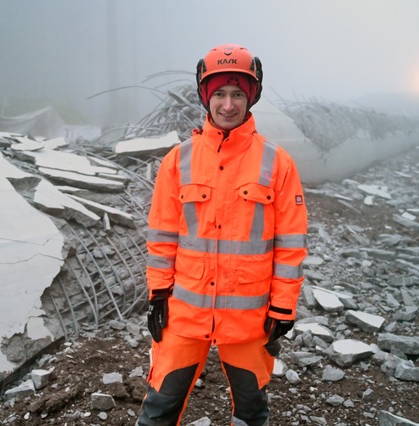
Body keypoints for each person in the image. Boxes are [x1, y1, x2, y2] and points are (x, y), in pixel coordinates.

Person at [136, 43, 308, 426]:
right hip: (184, 315)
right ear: (205, 97)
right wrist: (158, 294)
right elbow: (162, 236)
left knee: (250, 412)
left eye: (236, 94)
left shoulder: (277, 163)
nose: (227, 105)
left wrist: (283, 307)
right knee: (158, 410)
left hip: (249, 320)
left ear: (251, 98)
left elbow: (291, 244)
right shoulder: (177, 161)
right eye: (218, 94)